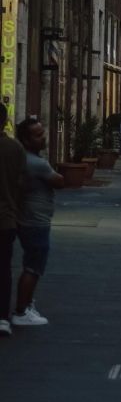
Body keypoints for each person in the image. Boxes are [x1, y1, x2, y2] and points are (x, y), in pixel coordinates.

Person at [11, 117, 64, 327]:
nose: (43, 138)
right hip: (36, 220)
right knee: (34, 267)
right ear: (26, 139)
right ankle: (21, 311)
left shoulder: (22, 158)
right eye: (38, 135)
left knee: (31, 264)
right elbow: (60, 181)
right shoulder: (36, 163)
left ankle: (26, 303)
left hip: (25, 217)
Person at [0, 103, 26, 337]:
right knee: (4, 269)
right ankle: (2, 318)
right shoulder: (14, 148)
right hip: (6, 219)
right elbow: (21, 184)